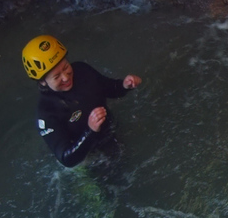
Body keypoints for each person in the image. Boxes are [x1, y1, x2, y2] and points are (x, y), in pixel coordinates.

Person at [22, 35, 142, 168]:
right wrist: (90, 130)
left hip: (109, 135)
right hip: (85, 160)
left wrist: (124, 85)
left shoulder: (82, 71)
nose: (66, 77)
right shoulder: (46, 112)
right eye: (56, 77)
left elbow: (108, 88)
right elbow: (66, 159)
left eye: (66, 67)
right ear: (42, 81)